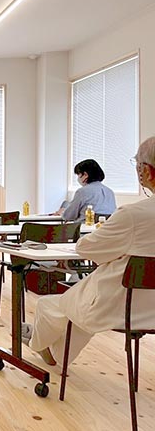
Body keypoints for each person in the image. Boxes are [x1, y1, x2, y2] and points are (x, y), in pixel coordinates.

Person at [23, 136, 155, 366]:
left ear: (147, 171)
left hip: (122, 305)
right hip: (146, 304)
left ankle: (41, 344)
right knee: (75, 309)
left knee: (51, 306)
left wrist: (116, 250)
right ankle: (49, 349)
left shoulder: (133, 214)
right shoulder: (111, 194)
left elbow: (86, 248)